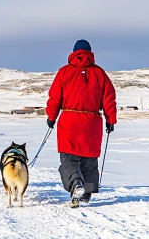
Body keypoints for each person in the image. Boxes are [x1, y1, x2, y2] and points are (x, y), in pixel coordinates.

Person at [46, 39, 117, 208]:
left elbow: (55, 97)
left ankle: (75, 183)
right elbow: (109, 99)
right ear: (90, 53)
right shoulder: (100, 73)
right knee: (89, 159)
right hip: (92, 122)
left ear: (74, 52)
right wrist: (111, 120)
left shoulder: (64, 72)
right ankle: (86, 194)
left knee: (69, 157)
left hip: (69, 121)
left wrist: (51, 117)